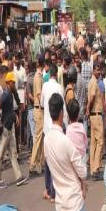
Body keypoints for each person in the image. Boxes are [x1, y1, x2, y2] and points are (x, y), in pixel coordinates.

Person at [44, 93, 87, 211]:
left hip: (60, 206)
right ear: (62, 112)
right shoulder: (65, 141)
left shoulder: (47, 139)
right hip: (74, 204)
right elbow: (83, 172)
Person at [0, 72, 28, 189]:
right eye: (13, 82)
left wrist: (14, 116)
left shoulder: (9, 92)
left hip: (9, 126)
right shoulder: (5, 94)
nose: (14, 83)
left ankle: (18, 177)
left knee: (13, 153)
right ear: (9, 82)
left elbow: (8, 109)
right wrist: (0, 117)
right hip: (6, 127)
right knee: (1, 153)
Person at [41, 63, 67, 199]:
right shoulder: (59, 87)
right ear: (56, 74)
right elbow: (64, 109)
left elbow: (41, 104)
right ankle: (54, 190)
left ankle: (49, 190)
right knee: (57, 158)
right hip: (57, 126)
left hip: (47, 126)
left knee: (47, 159)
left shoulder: (45, 87)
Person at [86, 62, 106, 180]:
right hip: (96, 115)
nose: (99, 72)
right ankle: (96, 167)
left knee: (93, 142)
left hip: (94, 116)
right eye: (97, 70)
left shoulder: (93, 82)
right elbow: (92, 97)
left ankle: (93, 168)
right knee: (100, 142)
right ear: (93, 71)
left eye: (99, 70)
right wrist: (88, 108)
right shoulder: (94, 82)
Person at [30, 56, 44, 175]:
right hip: (39, 109)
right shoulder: (38, 77)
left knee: (41, 138)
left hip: (38, 109)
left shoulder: (37, 76)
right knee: (38, 138)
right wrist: (44, 105)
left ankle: (40, 163)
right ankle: (33, 164)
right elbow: (39, 95)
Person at [66, 98, 87, 166]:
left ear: (68, 115)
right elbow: (85, 143)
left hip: (72, 158)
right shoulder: (82, 127)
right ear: (78, 114)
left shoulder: (68, 129)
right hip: (81, 158)